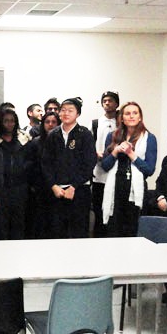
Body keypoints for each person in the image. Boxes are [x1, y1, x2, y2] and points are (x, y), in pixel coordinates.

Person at [41, 98, 97, 238]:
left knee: (78, 233)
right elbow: (46, 163)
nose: (66, 113)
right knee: (57, 233)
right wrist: (53, 186)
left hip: (79, 191)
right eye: (63, 110)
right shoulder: (53, 134)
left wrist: (74, 186)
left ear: (78, 114)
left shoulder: (85, 134)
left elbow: (89, 163)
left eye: (70, 111)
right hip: (57, 191)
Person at [100, 101, 157, 237]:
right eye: (127, 113)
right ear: (122, 118)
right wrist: (115, 152)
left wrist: (131, 154)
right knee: (114, 230)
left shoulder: (149, 138)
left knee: (132, 230)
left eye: (135, 113)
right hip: (115, 188)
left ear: (140, 117)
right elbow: (105, 166)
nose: (131, 116)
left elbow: (149, 170)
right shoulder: (112, 136)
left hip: (136, 190)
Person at [0, 108, 30, 239]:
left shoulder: (24, 139)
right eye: (6, 121)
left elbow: (30, 160)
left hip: (20, 189)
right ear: (1, 122)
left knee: (18, 224)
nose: (9, 124)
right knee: (2, 224)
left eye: (12, 121)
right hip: (1, 189)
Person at [25, 111, 59, 238]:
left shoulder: (63, 142)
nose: (50, 124)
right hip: (39, 190)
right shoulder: (35, 142)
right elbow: (30, 166)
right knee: (39, 224)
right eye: (47, 122)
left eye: (54, 122)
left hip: (58, 189)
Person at [92, 91, 119, 238]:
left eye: (110, 100)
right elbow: (89, 145)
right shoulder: (95, 123)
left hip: (116, 173)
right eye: (105, 101)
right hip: (99, 175)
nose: (107, 103)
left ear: (117, 104)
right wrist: (95, 154)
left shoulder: (121, 123)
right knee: (99, 212)